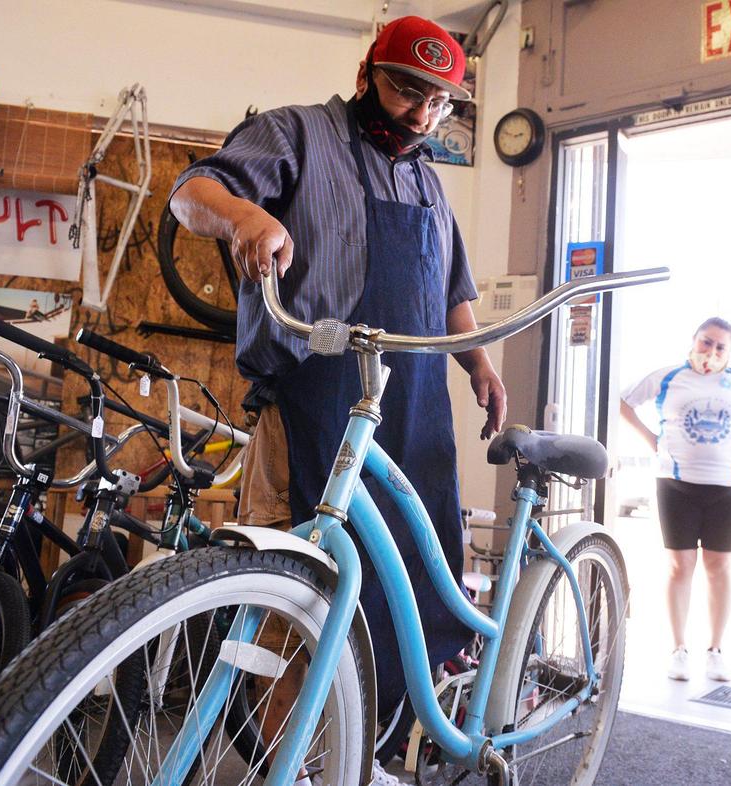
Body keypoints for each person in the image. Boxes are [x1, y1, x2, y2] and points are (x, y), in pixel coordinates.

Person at [167, 14, 507, 777]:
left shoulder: (426, 176)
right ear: (366, 75)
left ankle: (373, 755)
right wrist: (247, 216)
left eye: (440, 103)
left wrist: (479, 362)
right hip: (311, 406)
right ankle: (296, 766)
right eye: (405, 91)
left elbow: (451, 288)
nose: (420, 114)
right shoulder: (295, 135)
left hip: (414, 413)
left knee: (402, 601)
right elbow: (192, 194)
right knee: (297, 604)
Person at [619, 317, 731, 682]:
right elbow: (623, 402)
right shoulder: (668, 376)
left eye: (720, 346)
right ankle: (678, 649)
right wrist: (650, 439)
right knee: (680, 566)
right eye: (707, 342)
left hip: (727, 488)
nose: (712, 351)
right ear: (694, 341)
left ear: (729, 351)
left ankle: (715, 650)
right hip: (675, 486)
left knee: (718, 568)